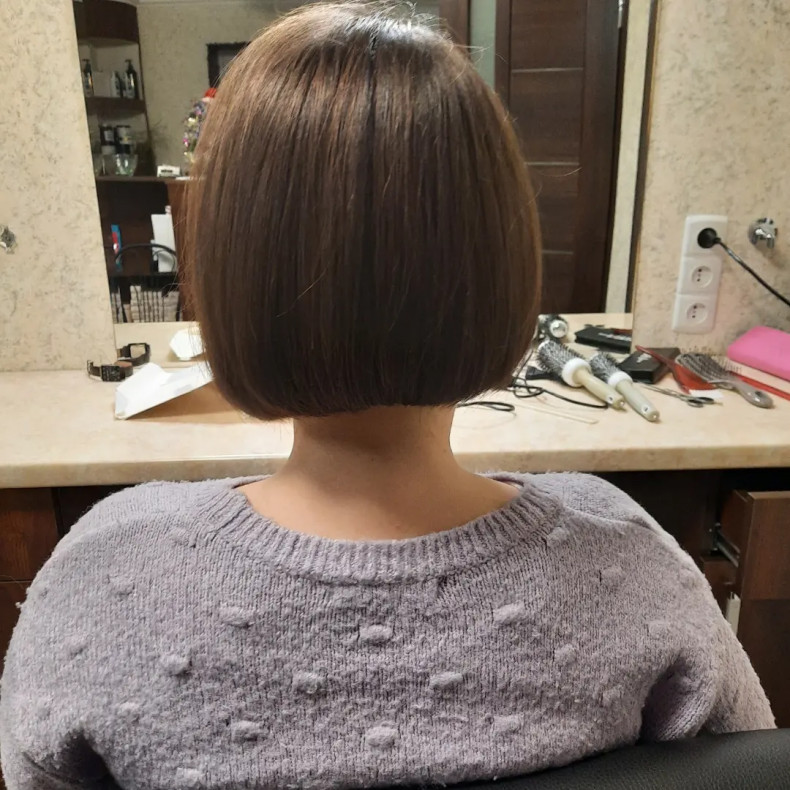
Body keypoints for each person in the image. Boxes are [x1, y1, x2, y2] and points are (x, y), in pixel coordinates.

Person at [0, 3, 774, 788]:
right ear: (499, 264)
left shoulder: (103, 578)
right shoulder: (627, 561)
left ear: (232, 275)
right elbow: (748, 764)